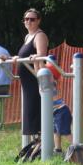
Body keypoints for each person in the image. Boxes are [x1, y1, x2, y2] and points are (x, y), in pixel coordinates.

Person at [16, 8, 49, 146]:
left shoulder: (39, 36)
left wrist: (35, 57)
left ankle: (43, 146)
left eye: (32, 19)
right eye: (26, 19)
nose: (28, 21)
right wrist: (14, 58)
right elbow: (25, 56)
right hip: (26, 82)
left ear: (38, 21)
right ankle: (35, 147)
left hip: (35, 80)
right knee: (30, 113)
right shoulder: (27, 37)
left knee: (36, 113)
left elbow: (41, 55)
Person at [44, 56, 73, 154]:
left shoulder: (50, 82)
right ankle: (58, 149)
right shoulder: (44, 82)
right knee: (56, 131)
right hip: (57, 112)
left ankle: (78, 148)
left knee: (65, 132)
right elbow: (38, 70)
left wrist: (37, 59)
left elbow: (39, 69)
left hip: (61, 111)